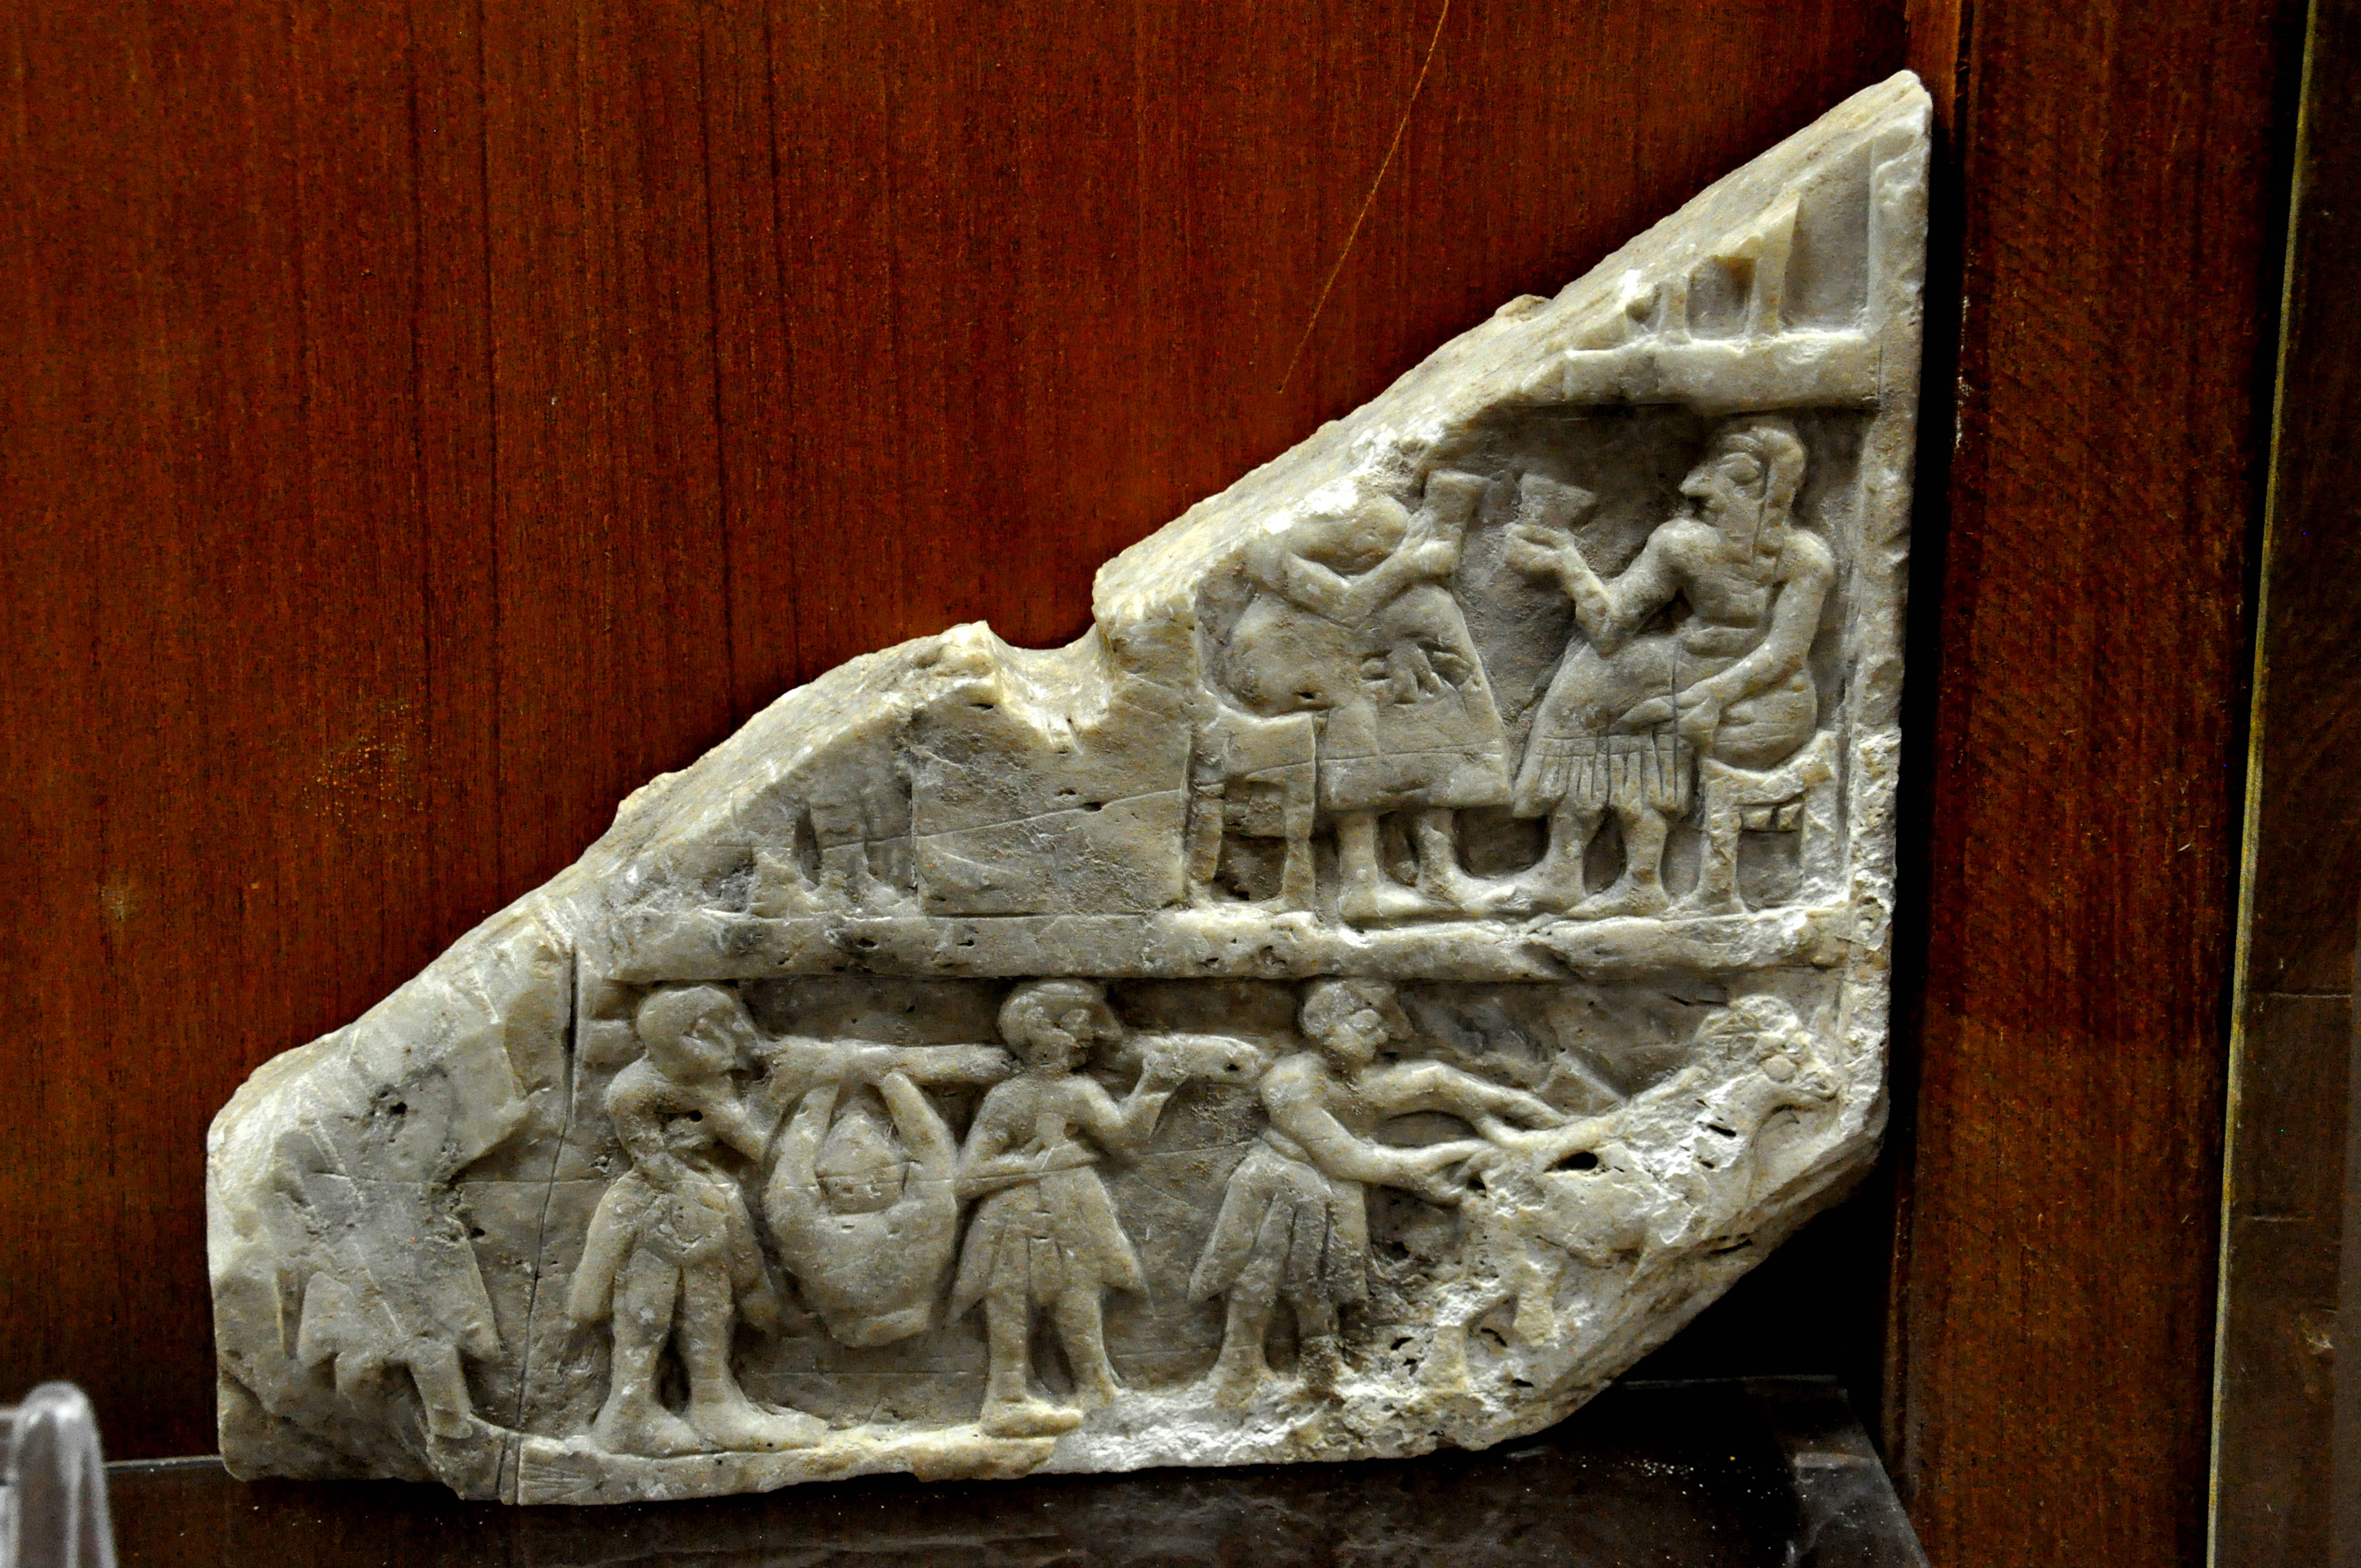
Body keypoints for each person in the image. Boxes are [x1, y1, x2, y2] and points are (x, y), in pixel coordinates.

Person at [1504, 417, 1834, 916]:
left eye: (1729, 482)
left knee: (1638, 712)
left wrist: (1704, 697)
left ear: (1767, 492)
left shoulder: (1805, 558)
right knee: (1586, 688)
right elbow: (1610, 628)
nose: (1700, 492)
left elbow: (1784, 654)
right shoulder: (1681, 543)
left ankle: (1640, 882)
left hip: (1766, 700)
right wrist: (1569, 564)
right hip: (1690, 668)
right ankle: (1564, 871)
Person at [1188, 979, 1563, 1406]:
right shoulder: (1291, 1081)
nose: (1382, 1038)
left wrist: (1543, 1122)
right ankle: (1240, 1367)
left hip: (1336, 1193)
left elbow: (1458, 1089)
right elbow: (1346, 1158)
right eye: (1367, 1028)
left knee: (1330, 1280)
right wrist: (1421, 1166)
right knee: (1262, 1272)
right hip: (1279, 1185)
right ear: (1323, 1028)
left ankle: (1323, 1368)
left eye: (1383, 1029)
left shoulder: (1369, 1082)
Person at [1221, 473, 1511, 922]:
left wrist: (1408, 627)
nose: (1371, 553)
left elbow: (1380, 597)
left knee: (1438, 678)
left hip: (1353, 644)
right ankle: (1362, 882)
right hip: (1283, 658)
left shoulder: (1360, 528)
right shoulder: (1268, 547)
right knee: (1367, 703)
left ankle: (1437, 870)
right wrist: (1410, 566)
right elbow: (1346, 606)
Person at [566, 986, 823, 1457]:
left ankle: (713, 1404)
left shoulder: (708, 1083)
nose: (729, 1048)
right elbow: (654, 1162)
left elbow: (755, 1143)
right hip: (658, 1209)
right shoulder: (635, 1088)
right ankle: (629, 1413)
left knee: (710, 1308)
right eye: (713, 1035)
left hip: (701, 1203)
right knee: (646, 1312)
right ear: (685, 1037)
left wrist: (768, 1099)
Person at [951, 981, 1187, 1438]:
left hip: (1071, 1209)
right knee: (1010, 1301)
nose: (1093, 1036)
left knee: (1078, 1296)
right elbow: (968, 1177)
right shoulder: (1011, 1098)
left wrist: (1154, 1088)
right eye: (1080, 1024)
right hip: (1014, 1216)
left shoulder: (1078, 1092)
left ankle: (1097, 1389)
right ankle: (1006, 1399)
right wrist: (1045, 1162)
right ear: (1044, 1030)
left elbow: (1125, 1145)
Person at [765, 1070, 962, 1348]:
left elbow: (791, 1176)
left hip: (840, 1323)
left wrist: (825, 1082)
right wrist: (892, 1080)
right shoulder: (917, 1220)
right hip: (911, 1316)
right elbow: (933, 1154)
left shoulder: (812, 1232)